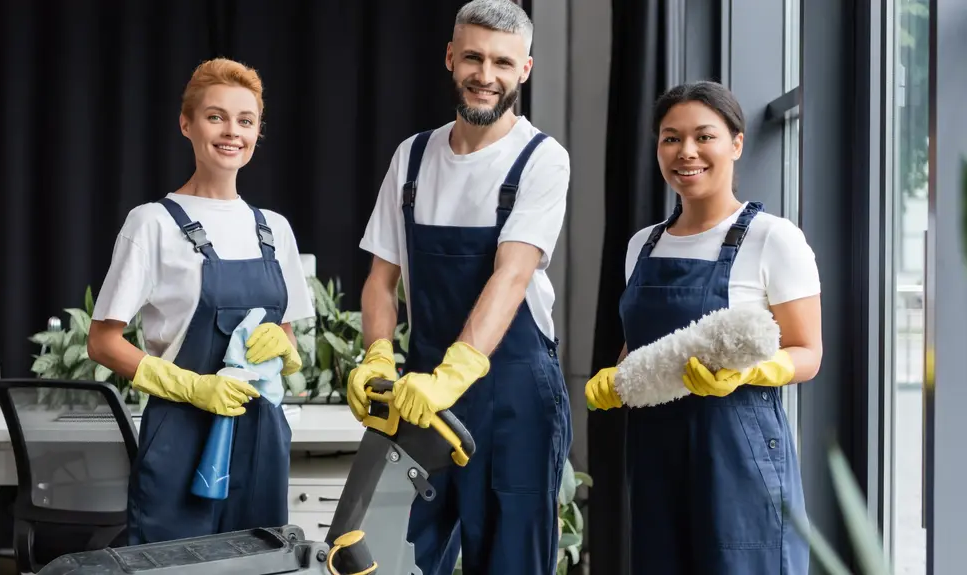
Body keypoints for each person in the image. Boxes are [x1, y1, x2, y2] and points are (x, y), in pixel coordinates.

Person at [347, 1, 572, 573]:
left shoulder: (541, 159)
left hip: (513, 398)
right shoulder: (413, 157)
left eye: (503, 62)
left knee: (511, 560)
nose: (485, 75)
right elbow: (381, 279)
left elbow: (512, 274)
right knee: (393, 557)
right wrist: (378, 355)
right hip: (419, 393)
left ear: (525, 70)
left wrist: (455, 374)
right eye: (473, 57)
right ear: (451, 57)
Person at [585, 80, 821, 574]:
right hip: (655, 458)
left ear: (736, 143)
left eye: (704, 136)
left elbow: (808, 352)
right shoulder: (642, 245)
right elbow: (642, 345)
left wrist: (752, 371)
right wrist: (617, 376)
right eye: (671, 138)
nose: (686, 151)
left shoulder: (773, 239)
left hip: (740, 457)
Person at [87, 58, 315, 546]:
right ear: (186, 123)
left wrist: (285, 350)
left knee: (259, 561)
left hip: (261, 436)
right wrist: (191, 386)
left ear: (257, 132)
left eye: (246, 121)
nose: (232, 132)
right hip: (181, 434)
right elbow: (102, 342)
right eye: (216, 117)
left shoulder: (274, 229)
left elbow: (288, 338)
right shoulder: (152, 223)